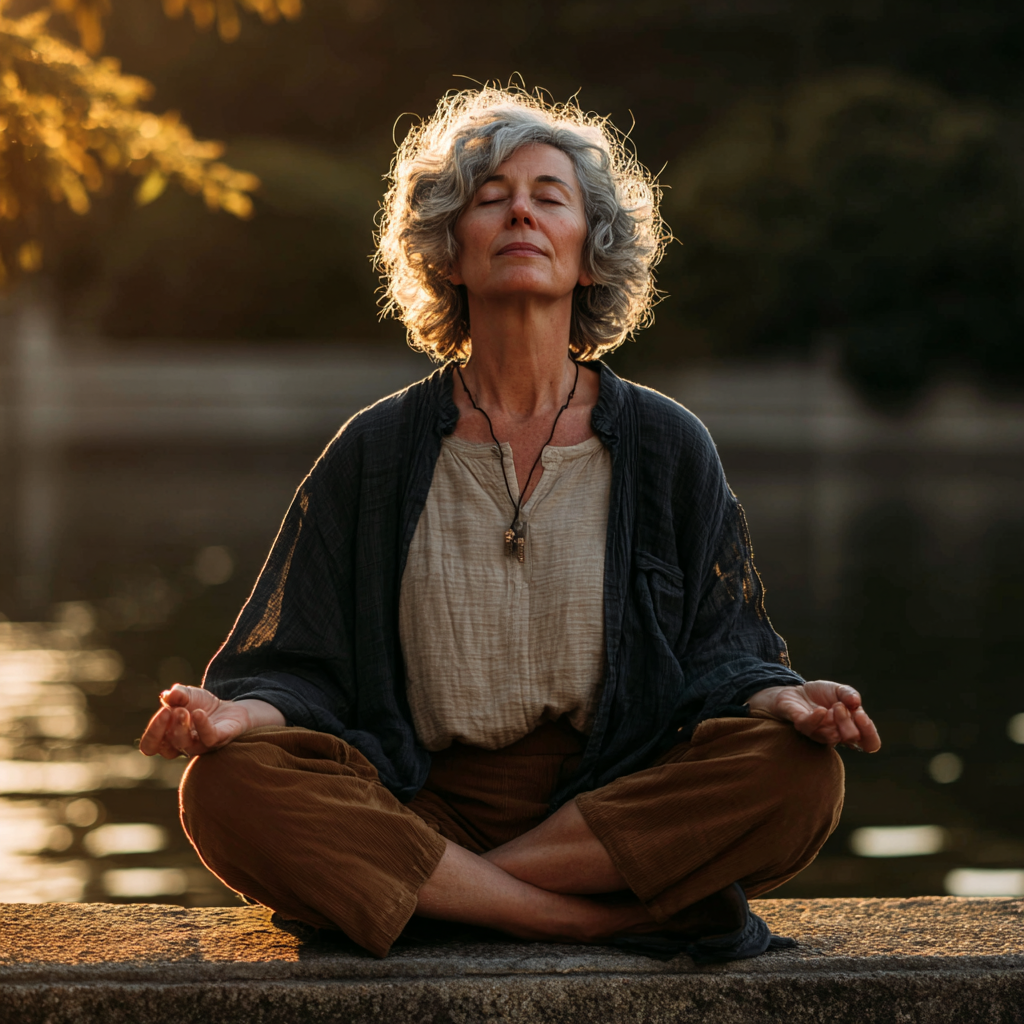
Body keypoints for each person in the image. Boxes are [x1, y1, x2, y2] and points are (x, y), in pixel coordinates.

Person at [140, 86, 881, 961]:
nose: (520, 211)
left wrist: (782, 698)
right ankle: (579, 916)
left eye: (548, 198)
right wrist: (231, 720)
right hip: (419, 795)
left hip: (613, 795)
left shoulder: (667, 444)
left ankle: (442, 891)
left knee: (797, 773)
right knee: (224, 790)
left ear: (591, 256)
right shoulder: (376, 450)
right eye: (490, 199)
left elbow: (722, 655)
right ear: (449, 254)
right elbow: (295, 667)